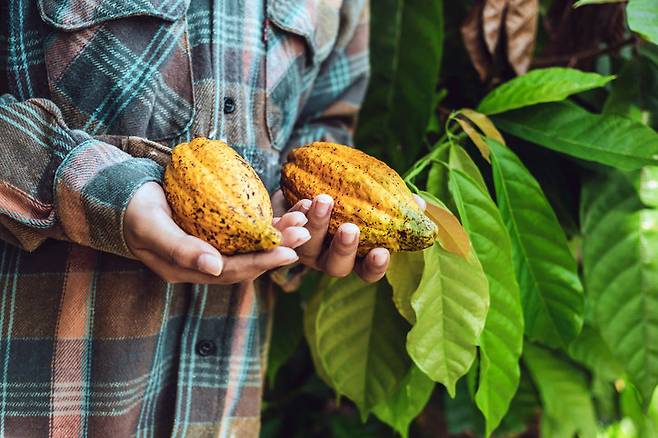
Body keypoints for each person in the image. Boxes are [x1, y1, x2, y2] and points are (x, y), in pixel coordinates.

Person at [0, 0, 395, 436]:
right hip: (44, 401)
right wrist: (99, 190)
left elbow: (324, 124)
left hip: (224, 409)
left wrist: (310, 220)